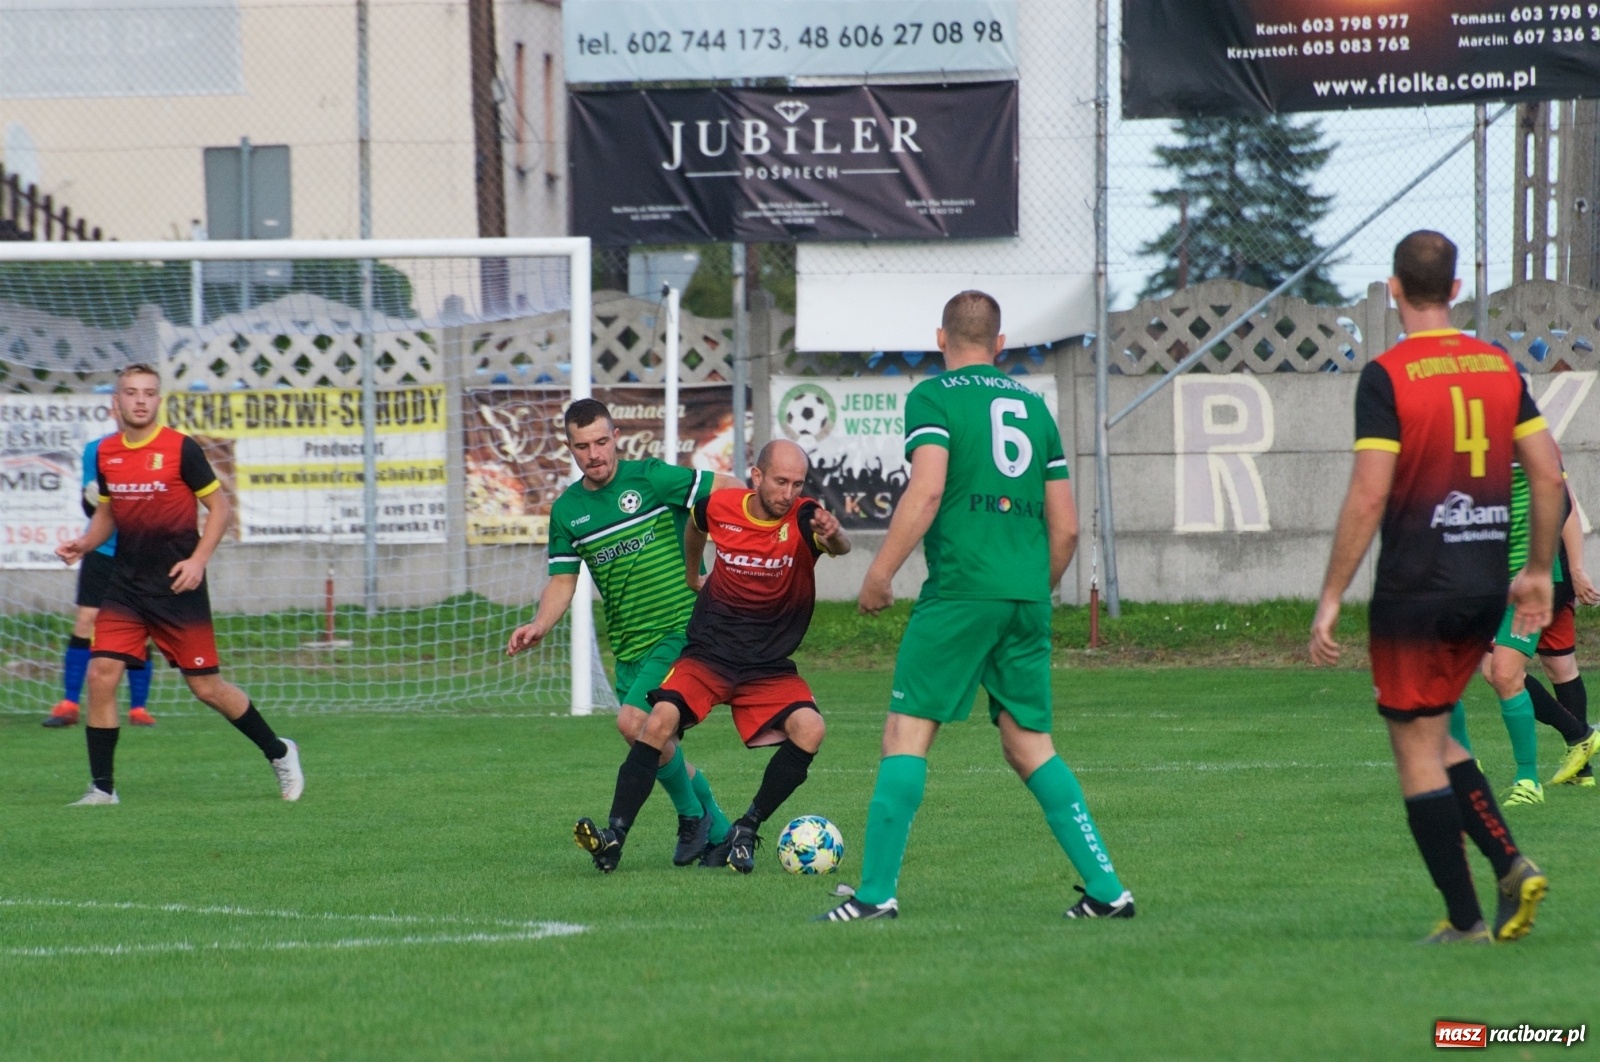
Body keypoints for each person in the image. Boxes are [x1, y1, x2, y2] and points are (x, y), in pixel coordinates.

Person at [820, 290, 1134, 924]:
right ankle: (1107, 890)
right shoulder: (1035, 410)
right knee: (1028, 743)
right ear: (1000, 343)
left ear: (941, 339)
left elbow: (927, 490)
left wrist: (879, 573)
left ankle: (875, 895)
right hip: (1027, 597)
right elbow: (1067, 529)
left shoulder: (933, 398)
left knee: (905, 734)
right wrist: (1029, 589)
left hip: (961, 592)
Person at [1310, 232, 1562, 943]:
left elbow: (1369, 495)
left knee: (1415, 750)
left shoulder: (1387, 376)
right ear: (1456, 290)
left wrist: (1331, 594)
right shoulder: (1498, 367)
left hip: (1416, 587)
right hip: (1484, 585)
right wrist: (1536, 570)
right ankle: (1509, 867)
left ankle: (1466, 918)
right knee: (1436, 732)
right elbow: (1548, 473)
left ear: (1394, 288)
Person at [572, 439, 850, 874]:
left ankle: (745, 827)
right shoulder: (721, 506)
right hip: (709, 653)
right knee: (656, 722)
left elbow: (838, 546)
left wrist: (835, 535)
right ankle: (615, 835)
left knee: (811, 729)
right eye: (780, 482)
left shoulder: (803, 517)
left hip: (766, 664)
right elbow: (695, 525)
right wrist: (692, 573)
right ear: (756, 477)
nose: (788, 493)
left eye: (797, 484)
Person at [508, 398, 742, 866]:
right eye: (582, 447)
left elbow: (731, 488)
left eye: (601, 442)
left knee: (634, 723)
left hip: (682, 631)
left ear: (616, 437)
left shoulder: (651, 477)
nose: (594, 454)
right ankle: (720, 833)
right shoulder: (568, 511)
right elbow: (562, 580)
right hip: (630, 648)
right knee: (655, 743)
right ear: (570, 448)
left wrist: (732, 552)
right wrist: (540, 623)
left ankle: (691, 818)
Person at [54, 364, 303, 805]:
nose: (140, 400)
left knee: (207, 688)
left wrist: (198, 560)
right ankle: (103, 788)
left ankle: (279, 751)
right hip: (125, 587)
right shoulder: (107, 452)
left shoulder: (180, 448)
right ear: (117, 401)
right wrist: (85, 543)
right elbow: (108, 512)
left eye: (149, 392)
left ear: (158, 399)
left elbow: (220, 508)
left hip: (177, 587)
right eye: (132, 392)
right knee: (101, 674)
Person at [1471, 459, 1599, 805]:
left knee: (1500, 671)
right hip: (1528, 573)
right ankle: (1582, 765)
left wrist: (1575, 569)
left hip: (1536, 574)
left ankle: (1536, 771)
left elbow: (1564, 502)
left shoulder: (1527, 442)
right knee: (1559, 664)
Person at [44, 405, 155, 728]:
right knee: (86, 620)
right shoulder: (97, 450)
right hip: (102, 549)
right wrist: (93, 497)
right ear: (114, 410)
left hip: (143, 552)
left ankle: (138, 708)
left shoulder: (159, 450)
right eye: (123, 403)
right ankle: (68, 703)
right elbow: (89, 506)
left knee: (141, 627)